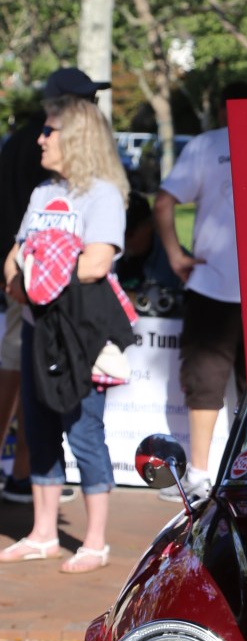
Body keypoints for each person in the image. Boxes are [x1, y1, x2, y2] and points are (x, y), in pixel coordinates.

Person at [0, 95, 129, 572]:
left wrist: (35, 278)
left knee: (84, 432)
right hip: (39, 329)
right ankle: (43, 534)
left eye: (49, 131)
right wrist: (18, 278)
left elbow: (96, 263)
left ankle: (95, 543)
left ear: (75, 137)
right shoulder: (42, 193)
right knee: (37, 428)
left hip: (81, 335)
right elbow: (16, 253)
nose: (40, 139)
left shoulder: (103, 195)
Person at [0, 68, 110, 502]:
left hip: (28, 278)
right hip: (31, 284)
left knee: (21, 372)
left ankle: (25, 473)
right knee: (20, 372)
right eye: (87, 98)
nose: (94, 106)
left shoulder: (22, 141)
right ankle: (25, 472)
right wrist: (19, 274)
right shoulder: (45, 146)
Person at [153, 80, 247, 502]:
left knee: (204, 384)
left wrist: (176, 256)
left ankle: (198, 474)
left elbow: (164, 202)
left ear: (220, 110)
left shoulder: (204, 145)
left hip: (212, 284)